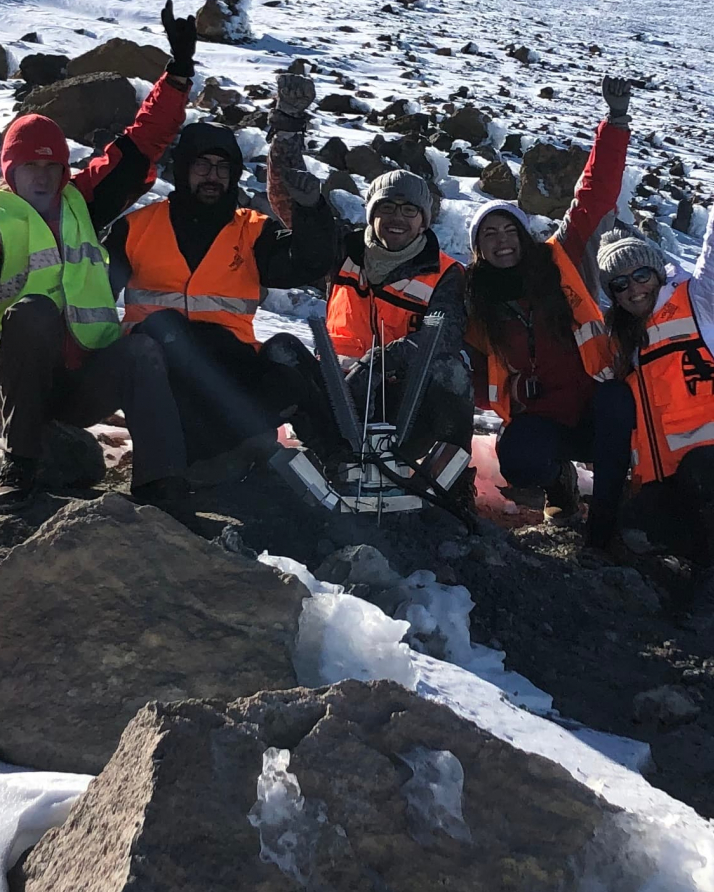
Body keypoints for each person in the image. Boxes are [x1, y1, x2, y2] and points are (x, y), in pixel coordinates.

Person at [0, 3, 198, 513]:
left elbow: (141, 142)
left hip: (83, 377)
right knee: (33, 312)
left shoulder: (82, 202)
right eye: (31, 168)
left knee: (143, 347)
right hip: (22, 380)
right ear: (11, 171)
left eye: (52, 167)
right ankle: (21, 463)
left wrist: (176, 76)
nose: (44, 178)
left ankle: (160, 485)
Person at [113, 66, 343, 479]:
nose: (213, 176)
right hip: (160, 374)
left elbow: (307, 263)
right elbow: (92, 295)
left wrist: (312, 212)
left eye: (223, 168)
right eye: (203, 165)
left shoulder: (252, 229)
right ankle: (208, 457)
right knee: (166, 327)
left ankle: (343, 460)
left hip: (230, 368)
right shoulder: (137, 227)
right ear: (183, 169)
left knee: (288, 353)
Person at [599, 133, 714, 618]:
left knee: (701, 470)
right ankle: (712, 549)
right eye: (619, 285)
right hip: (676, 483)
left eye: (640, 275)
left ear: (657, 272)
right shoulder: (625, 346)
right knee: (636, 531)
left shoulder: (700, 303)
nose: (634, 289)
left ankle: (710, 579)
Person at [462, 75, 633, 544]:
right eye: (489, 236)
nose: (501, 242)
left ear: (523, 234)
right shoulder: (478, 300)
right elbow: (473, 369)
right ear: (479, 249)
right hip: (542, 414)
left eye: (508, 231)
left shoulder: (564, 258)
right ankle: (561, 487)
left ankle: (607, 519)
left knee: (621, 407)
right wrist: (511, 385)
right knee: (518, 459)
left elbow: (593, 198)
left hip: (596, 402)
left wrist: (614, 124)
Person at [297, 166, 471, 480]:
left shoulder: (446, 273)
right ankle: (326, 462)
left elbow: (445, 336)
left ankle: (452, 486)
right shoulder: (342, 250)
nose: (397, 218)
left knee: (451, 374)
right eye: (387, 207)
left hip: (402, 399)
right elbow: (304, 227)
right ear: (372, 213)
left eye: (409, 210)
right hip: (337, 388)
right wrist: (307, 201)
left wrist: (380, 362)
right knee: (285, 354)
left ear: (423, 220)